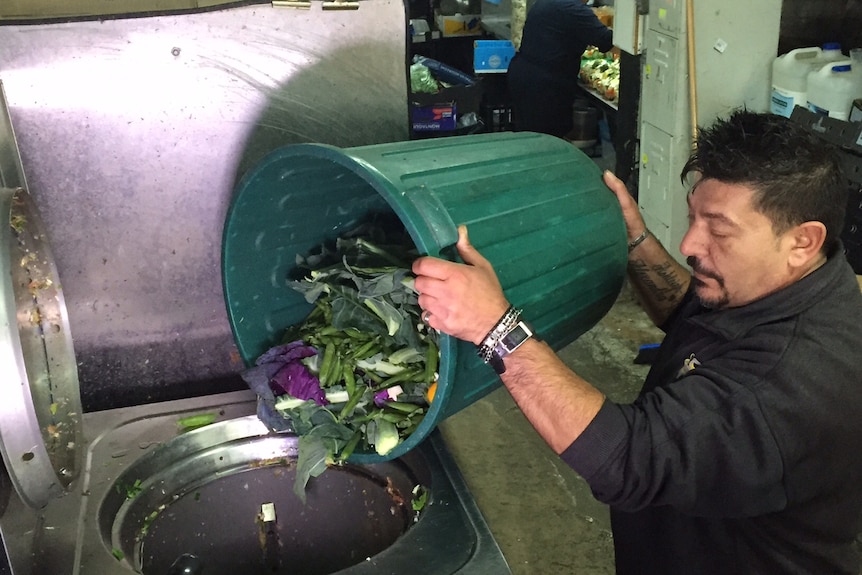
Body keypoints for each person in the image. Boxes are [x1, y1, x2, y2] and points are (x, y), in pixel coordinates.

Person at [412, 110, 862, 574]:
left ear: (803, 241)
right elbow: (694, 315)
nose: (689, 243)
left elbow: (627, 458)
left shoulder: (790, 382)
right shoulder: (788, 287)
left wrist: (496, 329)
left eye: (719, 230)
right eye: (692, 217)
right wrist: (635, 238)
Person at [507, 0, 613, 138]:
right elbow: (607, 40)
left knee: (529, 135)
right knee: (545, 138)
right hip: (543, 85)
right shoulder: (574, 9)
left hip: (524, 73)